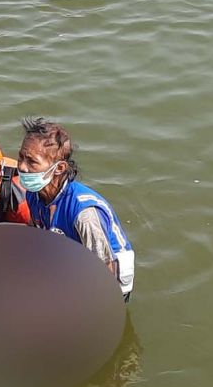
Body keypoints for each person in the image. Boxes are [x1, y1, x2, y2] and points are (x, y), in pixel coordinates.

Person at [16, 118, 135, 300]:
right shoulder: (34, 193)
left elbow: (104, 272)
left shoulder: (84, 214)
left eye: (31, 162)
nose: (22, 167)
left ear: (59, 168)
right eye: (21, 157)